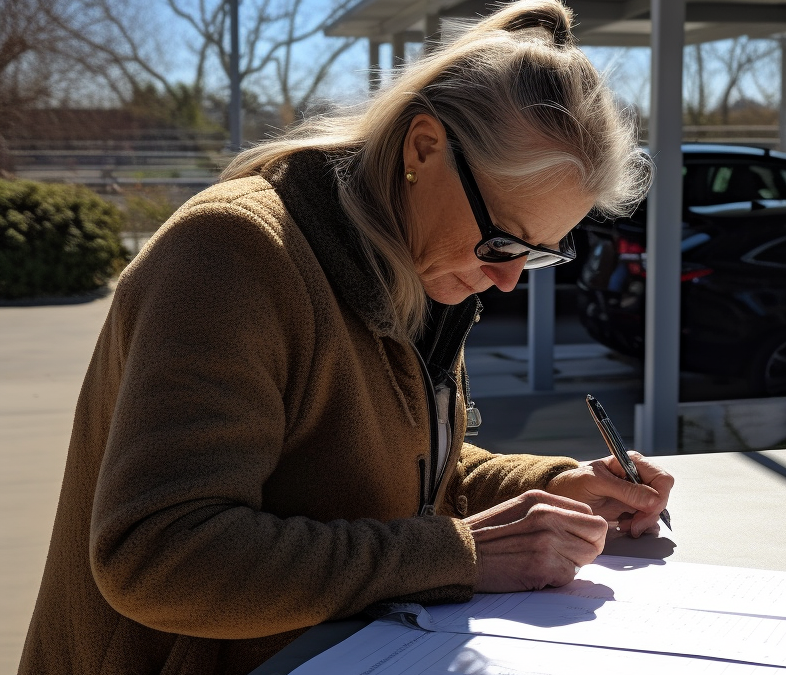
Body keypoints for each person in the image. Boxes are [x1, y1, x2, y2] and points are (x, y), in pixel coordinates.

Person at [18, 1, 672, 673]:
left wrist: (555, 485)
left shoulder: (414, 268)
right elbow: (157, 553)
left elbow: (383, 477)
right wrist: (456, 556)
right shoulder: (232, 255)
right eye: (502, 239)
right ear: (423, 149)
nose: (507, 280)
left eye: (535, 254)